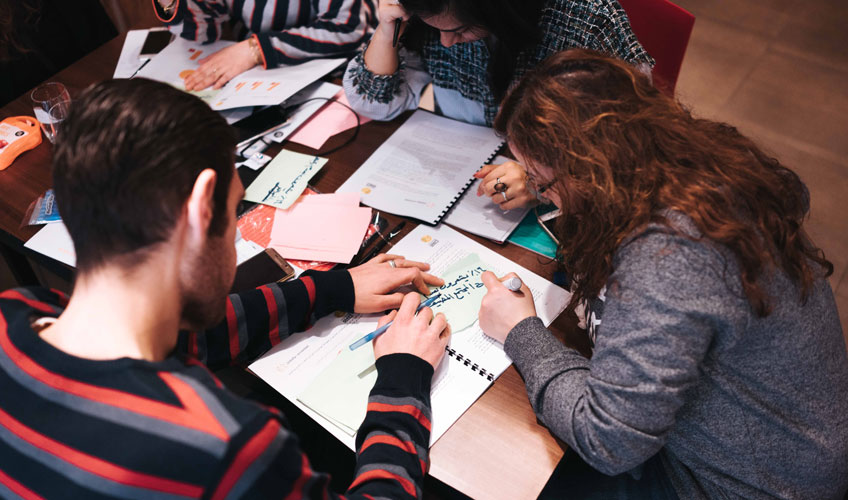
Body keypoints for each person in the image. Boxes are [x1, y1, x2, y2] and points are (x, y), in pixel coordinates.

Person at [0, 78, 451, 498]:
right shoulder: (226, 449)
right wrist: (404, 375)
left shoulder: (17, 310)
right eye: (234, 212)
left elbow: (184, 334)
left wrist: (336, 288)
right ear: (200, 212)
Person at [478, 49, 848, 499]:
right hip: (795, 438)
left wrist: (521, 332)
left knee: (506, 469)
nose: (544, 194)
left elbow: (608, 439)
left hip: (742, 483)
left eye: (542, 180)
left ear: (591, 172)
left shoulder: (668, 256)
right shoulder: (702, 162)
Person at [343, 0, 653, 210]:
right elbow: (373, 102)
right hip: (462, 183)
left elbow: (632, 145)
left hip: (563, 204)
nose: (446, 43)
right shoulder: (429, 17)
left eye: (460, 30)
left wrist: (541, 180)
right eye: (435, 29)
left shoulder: (585, 19)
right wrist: (387, 31)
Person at [152, 0, 377, 91]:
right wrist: (170, 3)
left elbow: (347, 30)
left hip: (339, 77)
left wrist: (256, 49)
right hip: (260, 77)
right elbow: (205, 32)